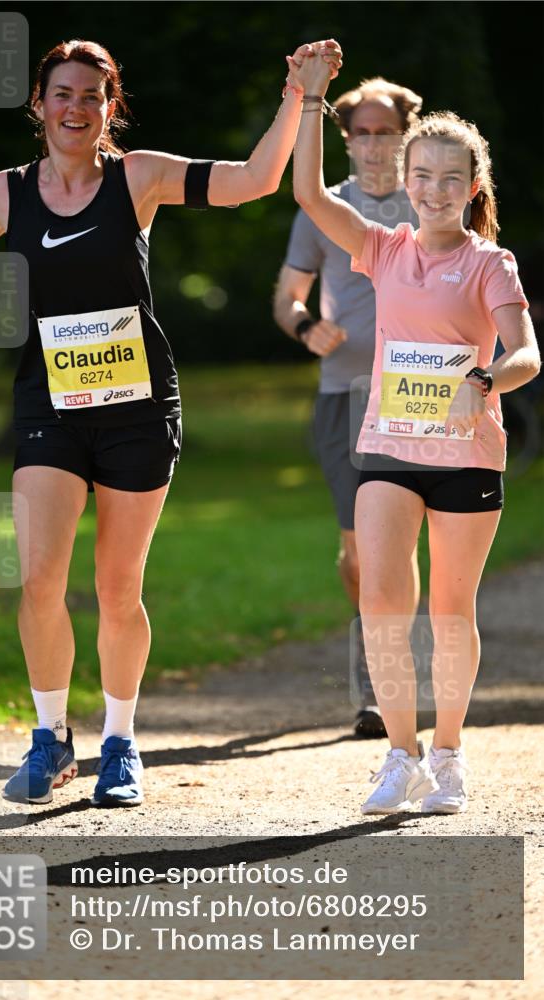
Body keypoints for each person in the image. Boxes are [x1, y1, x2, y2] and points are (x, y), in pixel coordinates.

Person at [0, 38, 342, 808]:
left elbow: (254, 181)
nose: (76, 108)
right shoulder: (6, 192)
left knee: (118, 587)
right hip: (50, 408)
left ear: (109, 107)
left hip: (137, 410)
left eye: (92, 96)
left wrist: (300, 93)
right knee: (39, 579)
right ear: (38, 104)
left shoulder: (139, 176)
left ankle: (120, 743)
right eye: (62, 93)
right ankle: (50, 737)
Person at [292, 46, 539, 814]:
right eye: (422, 176)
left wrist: (485, 379)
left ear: (472, 188)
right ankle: (400, 757)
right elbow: (306, 192)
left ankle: (448, 756)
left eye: (450, 179)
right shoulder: (380, 247)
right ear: (404, 181)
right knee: (381, 601)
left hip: (466, 454)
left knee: (449, 611)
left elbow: (526, 353)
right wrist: (309, 99)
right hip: (387, 449)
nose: (434, 191)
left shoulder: (490, 263)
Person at [273, 77, 423, 739]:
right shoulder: (324, 209)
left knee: (401, 540)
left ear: (405, 135)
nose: (373, 144)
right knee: (359, 553)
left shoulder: (432, 202)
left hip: (418, 394)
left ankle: (390, 683)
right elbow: (287, 298)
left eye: (385, 132)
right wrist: (306, 327)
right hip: (345, 393)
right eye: (361, 133)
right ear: (346, 139)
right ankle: (374, 655)